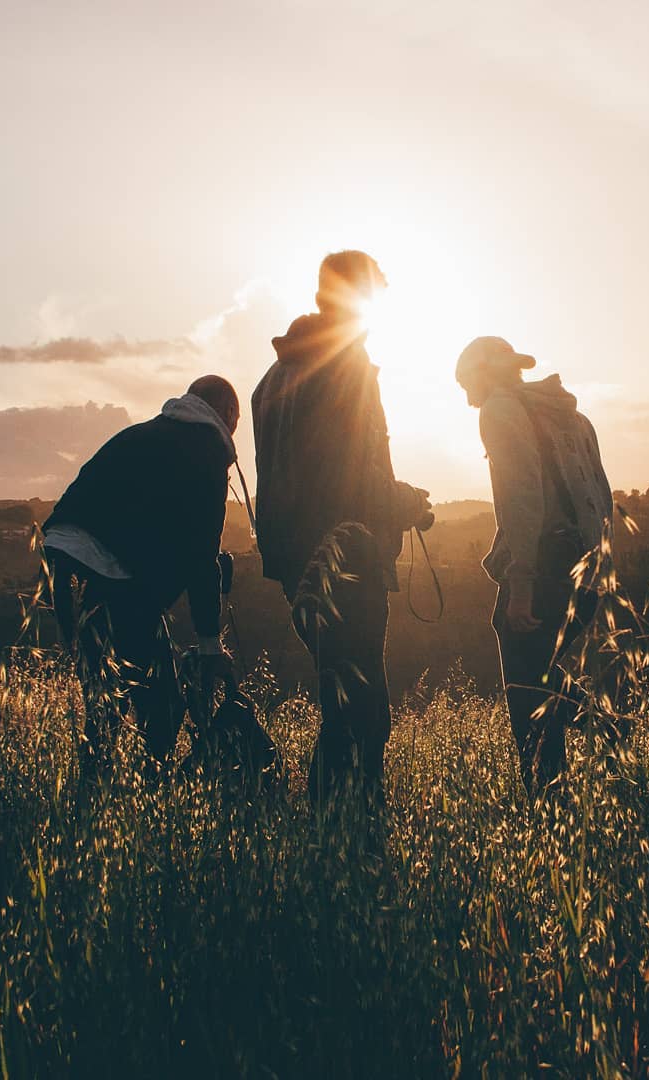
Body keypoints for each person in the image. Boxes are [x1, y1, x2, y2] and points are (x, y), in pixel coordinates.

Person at [252, 250, 433, 804]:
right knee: (365, 711)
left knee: (341, 699)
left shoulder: (275, 376)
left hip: (299, 564)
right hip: (347, 556)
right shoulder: (344, 368)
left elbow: (303, 475)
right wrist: (408, 503)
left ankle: (331, 837)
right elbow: (348, 478)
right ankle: (354, 837)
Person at [43, 375, 239, 770]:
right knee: (162, 707)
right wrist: (209, 644)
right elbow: (201, 555)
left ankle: (96, 797)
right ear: (229, 415)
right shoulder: (207, 452)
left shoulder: (151, 432)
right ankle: (149, 792)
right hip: (110, 569)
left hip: (69, 557)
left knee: (104, 703)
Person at [455, 337, 613, 795]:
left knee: (526, 689)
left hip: (543, 565)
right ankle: (602, 726)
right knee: (538, 671)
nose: (466, 397)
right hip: (585, 566)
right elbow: (602, 495)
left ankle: (548, 799)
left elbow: (522, 500)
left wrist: (520, 582)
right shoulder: (573, 417)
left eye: (465, 382)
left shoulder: (501, 411)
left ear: (486, 372)